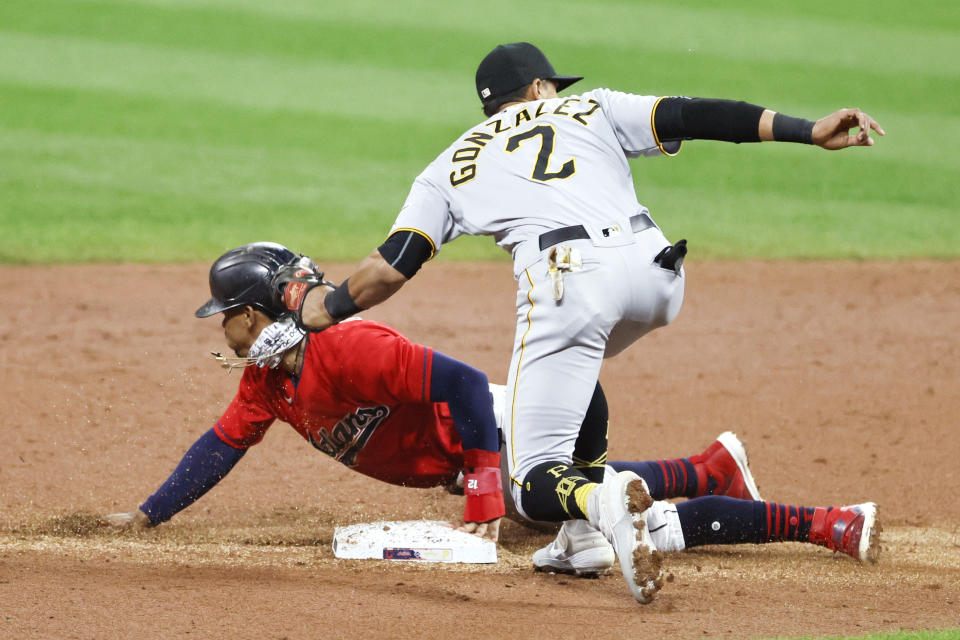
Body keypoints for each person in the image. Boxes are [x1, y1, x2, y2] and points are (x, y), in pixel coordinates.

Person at [270, 43, 884, 602]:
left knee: (534, 477)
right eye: (552, 86)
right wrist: (809, 130)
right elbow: (695, 115)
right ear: (539, 88)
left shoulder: (452, 164)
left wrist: (319, 309)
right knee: (578, 371)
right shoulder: (592, 108)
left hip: (571, 284)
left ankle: (598, 499)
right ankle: (580, 539)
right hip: (657, 274)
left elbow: (390, 267)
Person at [107, 243, 880, 580]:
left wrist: (483, 489)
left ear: (258, 310)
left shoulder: (347, 347)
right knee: (594, 515)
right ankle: (714, 471)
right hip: (488, 447)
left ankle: (796, 514)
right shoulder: (270, 383)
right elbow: (221, 446)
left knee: (587, 524)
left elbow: (467, 387)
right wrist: (148, 516)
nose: (227, 330)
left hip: (507, 429)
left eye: (230, 314)